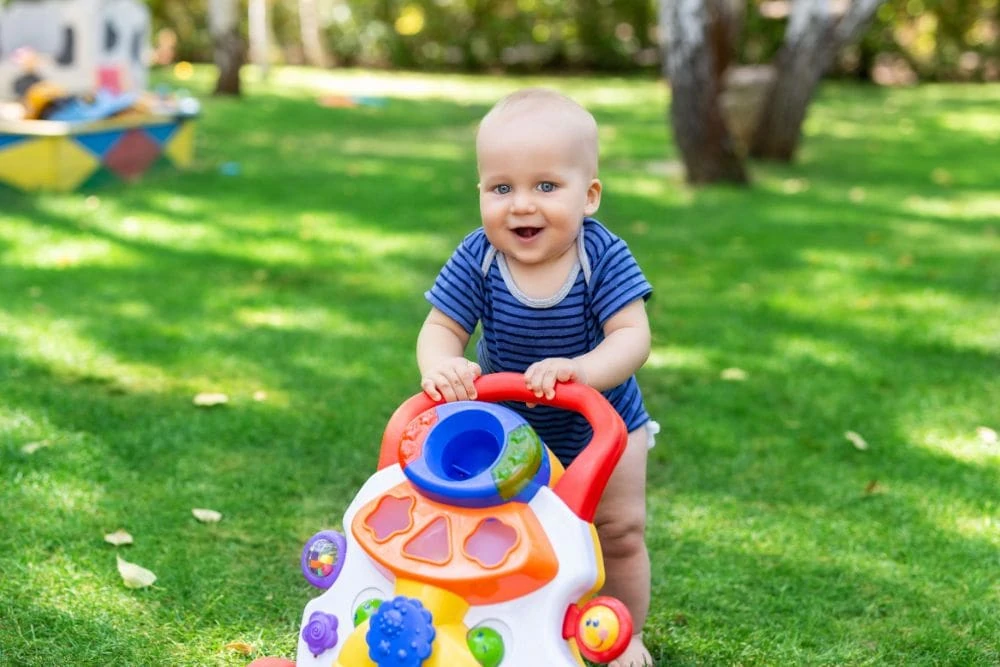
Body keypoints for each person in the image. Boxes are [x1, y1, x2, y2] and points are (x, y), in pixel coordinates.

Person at [416, 87, 656, 667]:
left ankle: (620, 634)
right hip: (511, 431)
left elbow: (633, 336)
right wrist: (441, 364)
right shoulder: (479, 257)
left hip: (605, 426)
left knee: (619, 530)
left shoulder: (601, 255)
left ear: (589, 195)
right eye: (502, 188)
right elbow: (440, 327)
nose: (521, 205)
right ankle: (509, 624)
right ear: (481, 193)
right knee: (504, 532)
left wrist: (583, 371)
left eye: (546, 186)